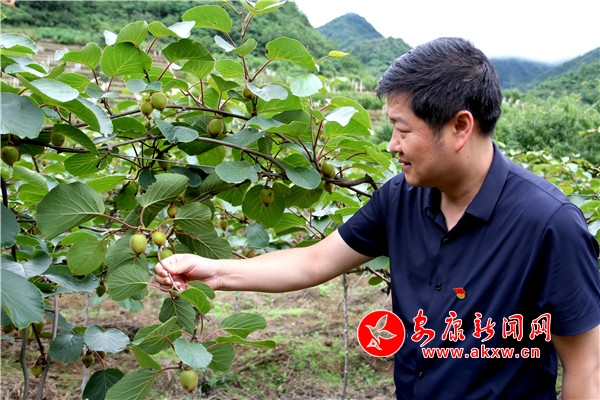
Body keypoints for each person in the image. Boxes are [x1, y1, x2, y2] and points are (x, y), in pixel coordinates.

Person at [155, 37, 600, 399]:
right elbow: (314, 261)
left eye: (402, 129)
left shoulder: (548, 223)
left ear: (460, 127)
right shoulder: (400, 198)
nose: (392, 145)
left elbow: (584, 369)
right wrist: (215, 272)